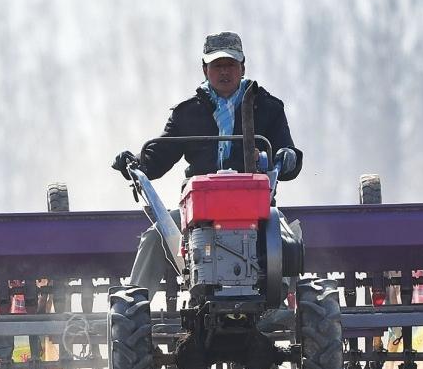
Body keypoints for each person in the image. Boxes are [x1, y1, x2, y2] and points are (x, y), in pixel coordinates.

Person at [120, 31, 303, 291]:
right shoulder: (188, 113)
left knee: (283, 239)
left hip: (254, 211)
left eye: (230, 65)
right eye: (217, 65)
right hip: (198, 214)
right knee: (154, 237)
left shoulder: (268, 107)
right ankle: (133, 308)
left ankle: (282, 305)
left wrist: (288, 158)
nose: (224, 72)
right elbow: (157, 159)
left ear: (243, 67)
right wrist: (134, 164)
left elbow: (287, 154)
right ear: (205, 69)